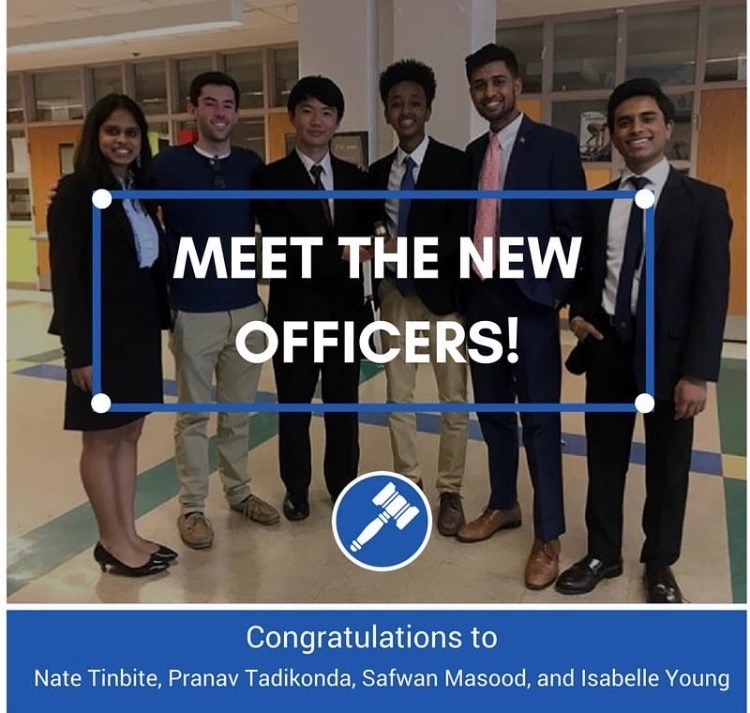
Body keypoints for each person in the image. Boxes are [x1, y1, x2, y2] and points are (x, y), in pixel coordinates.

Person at [555, 78, 731, 603]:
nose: (636, 129)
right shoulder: (598, 203)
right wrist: (578, 316)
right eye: (625, 121)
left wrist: (697, 373)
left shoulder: (703, 202)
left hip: (672, 360)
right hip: (609, 352)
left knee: (668, 466)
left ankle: (659, 563)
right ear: (611, 133)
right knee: (603, 460)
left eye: (647, 118)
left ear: (667, 128)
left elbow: (710, 293)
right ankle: (603, 554)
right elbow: (587, 274)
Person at [457, 43, 585, 591]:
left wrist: (554, 294)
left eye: (498, 82)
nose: (490, 92)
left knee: (539, 421)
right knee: (491, 412)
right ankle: (503, 504)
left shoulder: (553, 146)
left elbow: (572, 226)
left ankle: (548, 533)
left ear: (516, 85)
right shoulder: (470, 155)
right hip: (481, 301)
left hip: (529, 304)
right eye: (480, 85)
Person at [47, 94, 175, 577]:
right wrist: (79, 353)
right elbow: (68, 279)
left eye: (131, 133)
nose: (122, 141)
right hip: (98, 340)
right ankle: (110, 539)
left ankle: (128, 530)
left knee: (128, 432)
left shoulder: (138, 191)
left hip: (136, 334)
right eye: (112, 131)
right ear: (95, 136)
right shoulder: (77, 192)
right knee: (101, 440)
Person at [152, 71, 278, 550]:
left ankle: (240, 492)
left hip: (245, 307)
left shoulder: (250, 164)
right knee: (194, 416)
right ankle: (192, 508)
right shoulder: (167, 166)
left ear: (237, 113)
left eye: (228, 105)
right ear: (193, 109)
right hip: (194, 309)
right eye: (210, 103)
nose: (219, 113)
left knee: (239, 412)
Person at [254, 76, 371, 521]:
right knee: (295, 409)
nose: (317, 121)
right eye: (307, 110)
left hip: (345, 317)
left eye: (327, 112)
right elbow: (284, 248)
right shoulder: (269, 180)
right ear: (293, 118)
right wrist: (345, 250)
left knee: (344, 408)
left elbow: (370, 241)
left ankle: (342, 485)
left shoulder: (355, 181)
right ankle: (297, 489)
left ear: (338, 121)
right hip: (295, 316)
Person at [368, 59, 470, 536]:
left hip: (443, 297)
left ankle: (450, 491)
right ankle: (409, 481)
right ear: (386, 112)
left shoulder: (456, 164)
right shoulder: (376, 173)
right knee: (398, 397)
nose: (405, 111)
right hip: (396, 297)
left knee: (453, 399)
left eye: (414, 103)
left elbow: (461, 233)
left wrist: (406, 248)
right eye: (396, 103)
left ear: (428, 108)